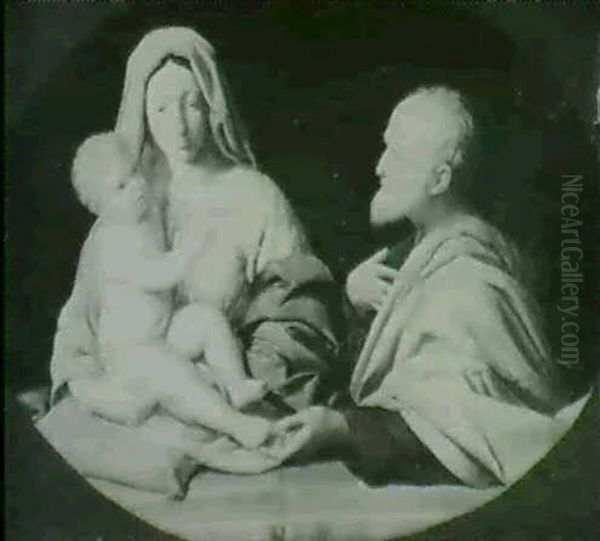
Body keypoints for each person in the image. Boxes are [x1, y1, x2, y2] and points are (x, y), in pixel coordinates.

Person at [272, 86, 579, 488]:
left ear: (439, 179)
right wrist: (352, 299)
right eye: (384, 148)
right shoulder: (414, 255)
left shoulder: (466, 284)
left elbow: (452, 424)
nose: (379, 167)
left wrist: (341, 430)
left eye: (397, 154)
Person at [49, 27, 339, 424]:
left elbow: (299, 312)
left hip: (226, 387)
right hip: (135, 383)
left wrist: (240, 372)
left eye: (192, 105)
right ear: (142, 114)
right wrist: (84, 382)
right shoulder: (126, 201)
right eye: (161, 109)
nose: (180, 126)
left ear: (213, 106)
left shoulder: (255, 195)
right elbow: (80, 322)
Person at [64, 131, 271, 448]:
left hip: (163, 334)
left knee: (205, 318)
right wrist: (189, 250)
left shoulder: (144, 218)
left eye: (134, 173)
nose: (136, 186)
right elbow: (159, 276)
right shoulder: (110, 244)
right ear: (98, 208)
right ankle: (236, 425)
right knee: (174, 376)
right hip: (130, 354)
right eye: (120, 187)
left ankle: (237, 384)